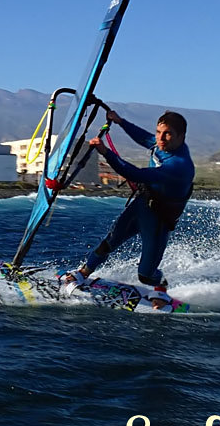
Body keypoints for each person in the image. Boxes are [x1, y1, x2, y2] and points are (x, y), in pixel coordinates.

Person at [69, 109, 195, 295]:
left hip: (159, 219)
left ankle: (161, 286)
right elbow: (145, 138)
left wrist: (106, 152)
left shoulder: (180, 166)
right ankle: (84, 272)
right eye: (159, 132)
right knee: (109, 242)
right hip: (142, 205)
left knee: (145, 274)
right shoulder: (162, 144)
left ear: (181, 136)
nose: (161, 138)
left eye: (168, 134)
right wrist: (120, 121)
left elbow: (135, 174)